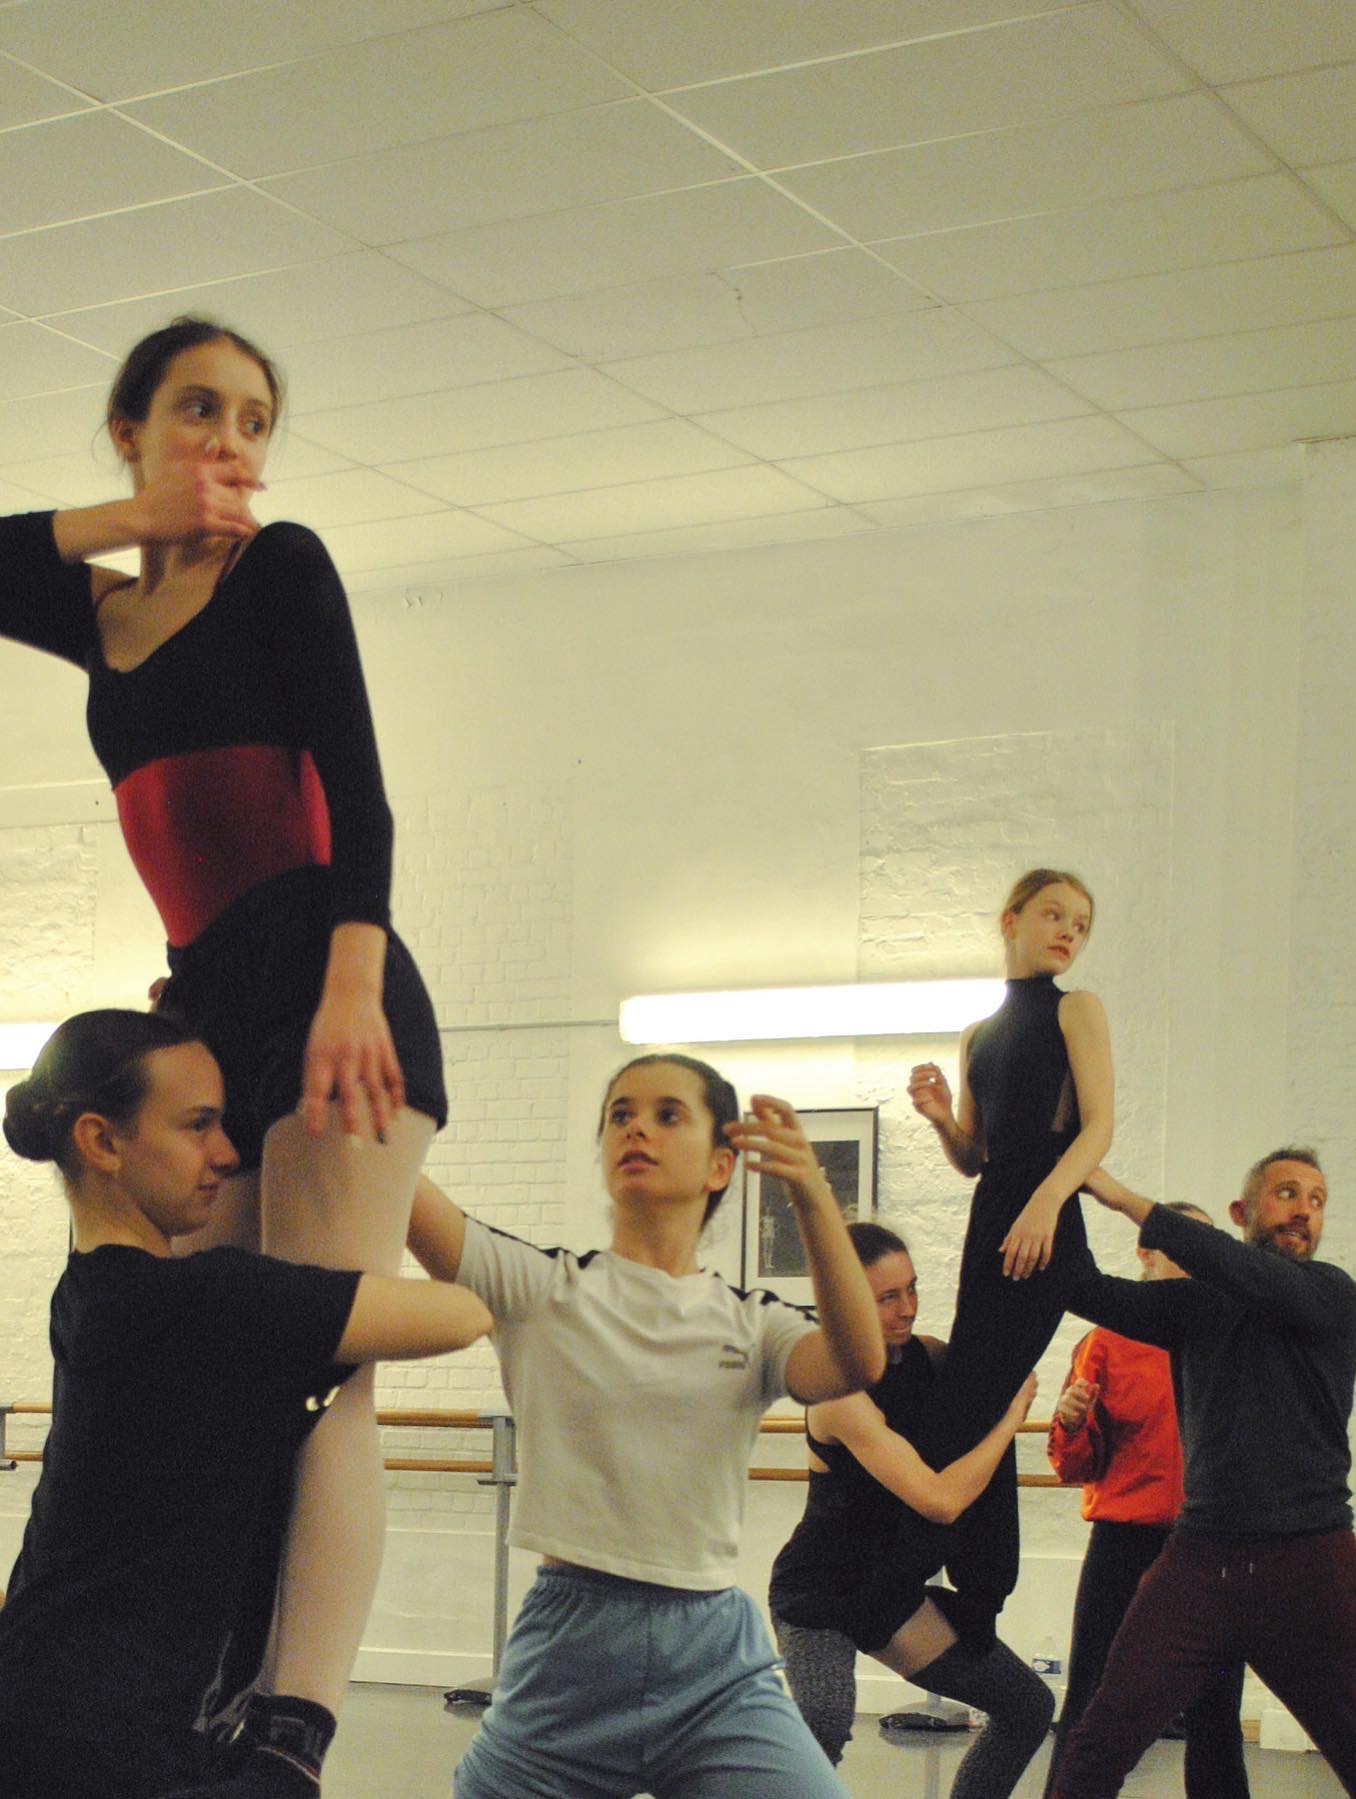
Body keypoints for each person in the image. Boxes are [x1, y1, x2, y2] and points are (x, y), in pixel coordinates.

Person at [0, 317, 447, 1791]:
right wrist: (130, 523)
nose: (233, 445)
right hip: (205, 1000)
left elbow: (364, 797)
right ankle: (202, 1684)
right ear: (127, 429)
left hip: (331, 981)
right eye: (199, 410)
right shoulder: (108, 612)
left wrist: (351, 980)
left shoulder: (284, 567)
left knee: (325, 1362)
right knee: (216, 1366)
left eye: (256, 420)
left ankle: (295, 1729)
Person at [0, 1011, 487, 1799]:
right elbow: (463, 1315)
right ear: (100, 1141)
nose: (228, 1155)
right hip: (97, 1743)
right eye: (199, 1126)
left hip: (45, 1697)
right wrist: (363, 1169)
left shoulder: (87, 1292)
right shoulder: (207, 1302)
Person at [405, 1052, 886, 1799]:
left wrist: (814, 1201)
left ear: (722, 1164)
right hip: (569, 1654)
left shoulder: (756, 1323)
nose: (637, 1128)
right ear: (601, 1151)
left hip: (715, 1661)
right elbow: (400, 1189)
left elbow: (857, 1362)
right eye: (619, 1115)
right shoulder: (541, 1287)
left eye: (668, 1115)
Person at [1049, 1153, 1356, 1798]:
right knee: (1097, 1742)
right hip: (1199, 1563)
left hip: (1311, 1565)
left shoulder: (1332, 1295)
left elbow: (1240, 1269)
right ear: (1243, 1214)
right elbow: (1085, 1287)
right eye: (1286, 1193)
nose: (1304, 1209)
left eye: (1317, 1199)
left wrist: (1121, 1196)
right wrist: (1051, 1182)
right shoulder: (1198, 1307)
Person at [894, 868, 1112, 1637]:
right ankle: (978, 1588)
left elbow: (1097, 1129)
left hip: (1042, 1215)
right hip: (993, 1216)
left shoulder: (1077, 1009)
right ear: (1010, 919)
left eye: (1080, 925)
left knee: (976, 1395)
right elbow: (975, 1153)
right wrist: (937, 1117)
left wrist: (1048, 1204)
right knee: (975, 1390)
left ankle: (961, 1583)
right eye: (1054, 914)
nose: (1068, 932)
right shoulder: (977, 1033)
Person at [770, 1221, 1053, 1795]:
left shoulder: (927, 1357)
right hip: (818, 1592)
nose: (908, 1308)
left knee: (1026, 1706)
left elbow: (985, 1379)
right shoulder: (837, 1393)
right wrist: (1009, 1422)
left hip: (889, 1591)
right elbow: (941, 1500)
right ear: (845, 1300)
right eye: (887, 1297)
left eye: (912, 1289)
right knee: (822, 1725)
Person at [1042, 1201, 1248, 1797]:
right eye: (1182, 1246)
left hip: (1210, 1543)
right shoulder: (1108, 1339)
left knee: (1215, 1711)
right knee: (1090, 1698)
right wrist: (1071, 1423)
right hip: (1126, 1542)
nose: (1194, 1260)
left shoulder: (1227, 1335)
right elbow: (1077, 1467)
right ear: (1146, 1253)